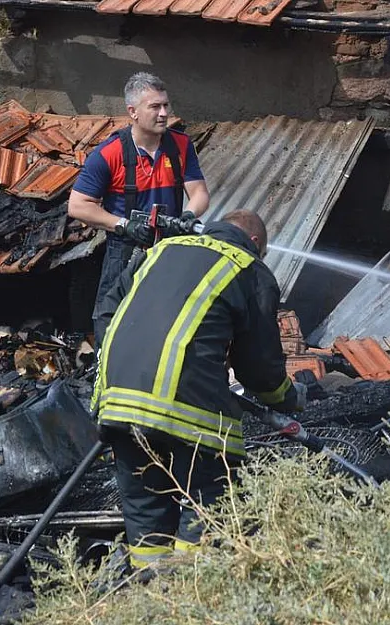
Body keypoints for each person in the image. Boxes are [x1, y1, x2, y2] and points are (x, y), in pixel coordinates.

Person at [91, 209, 305, 571]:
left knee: (146, 515)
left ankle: (153, 597)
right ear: (255, 243)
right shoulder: (249, 269)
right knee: (207, 506)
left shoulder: (161, 251)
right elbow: (259, 368)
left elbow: (105, 312)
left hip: (118, 404)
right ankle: (197, 592)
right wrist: (289, 397)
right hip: (188, 414)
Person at [68, 71, 210, 326]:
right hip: (125, 254)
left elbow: (199, 192)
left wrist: (188, 216)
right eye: (155, 107)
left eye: (166, 105)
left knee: (169, 323)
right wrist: (124, 225)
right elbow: (78, 206)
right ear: (133, 111)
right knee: (115, 322)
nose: (164, 113)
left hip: (169, 251)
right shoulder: (108, 154)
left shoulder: (181, 145)